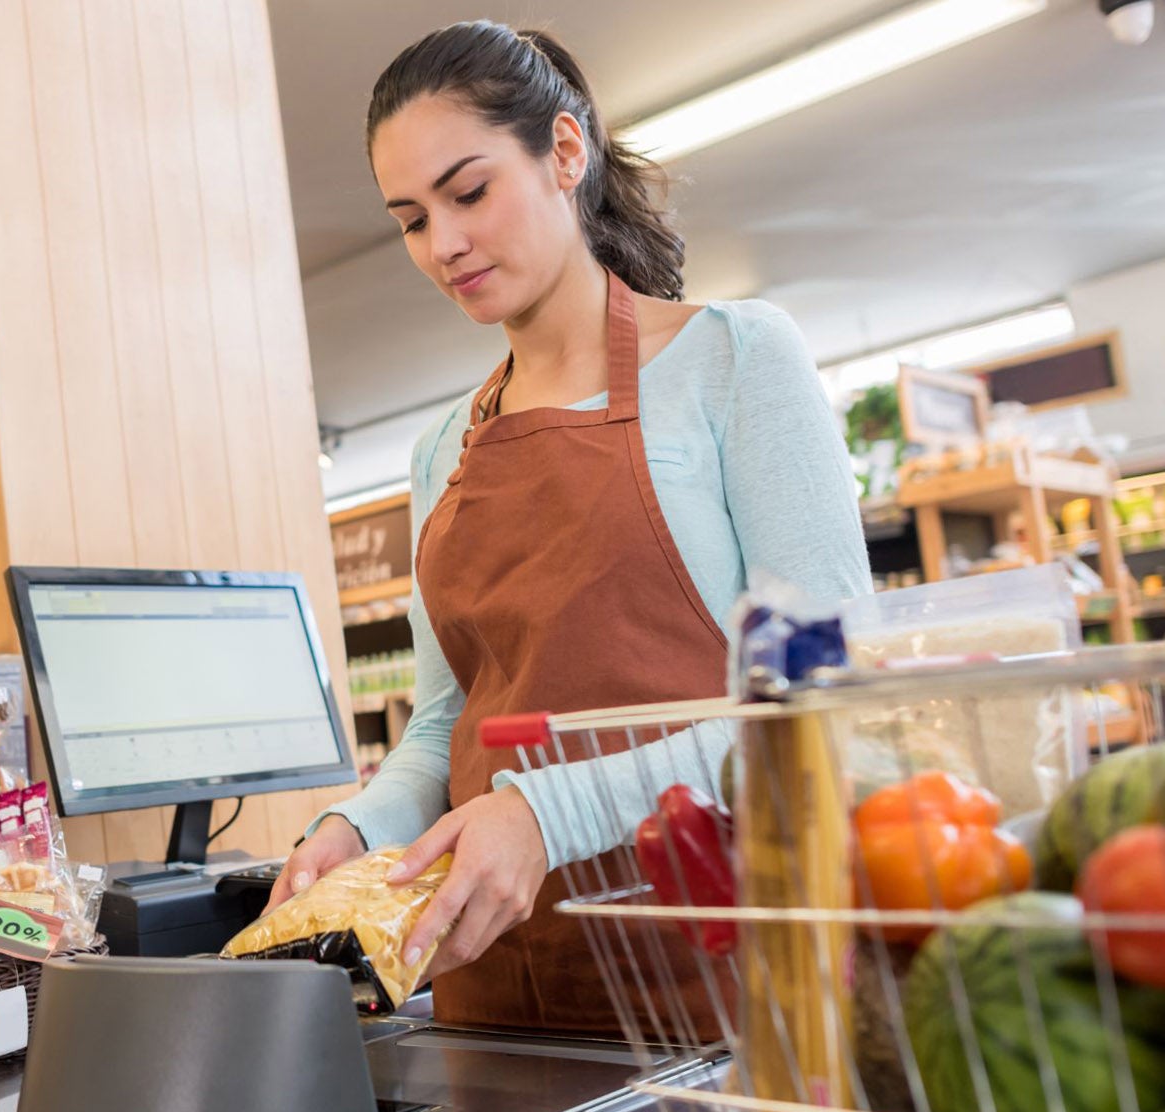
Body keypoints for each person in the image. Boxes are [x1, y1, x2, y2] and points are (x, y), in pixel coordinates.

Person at [267, 21, 871, 1029]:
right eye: (411, 218)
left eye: (468, 192)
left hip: (724, 982)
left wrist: (549, 813)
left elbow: (817, 701)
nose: (443, 244)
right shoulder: (440, 451)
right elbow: (440, 723)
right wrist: (354, 826)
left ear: (563, 152)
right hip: (499, 989)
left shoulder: (734, 362)